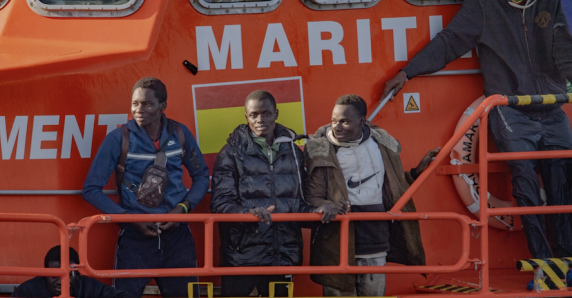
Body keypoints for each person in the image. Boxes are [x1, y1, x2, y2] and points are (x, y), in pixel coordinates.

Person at [381, 0, 572, 261]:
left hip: (552, 107)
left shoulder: (549, 3)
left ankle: (567, 260)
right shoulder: (483, 7)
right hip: (511, 111)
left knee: (563, 187)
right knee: (526, 187)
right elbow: (450, 41)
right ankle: (543, 262)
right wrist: (407, 72)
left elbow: (564, 49)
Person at [82, 77, 210, 297]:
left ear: (163, 107)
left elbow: (201, 176)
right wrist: (129, 219)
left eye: (147, 104)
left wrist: (182, 209)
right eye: (135, 104)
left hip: (177, 238)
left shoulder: (180, 133)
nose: (138, 110)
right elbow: (91, 189)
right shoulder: (118, 138)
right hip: (135, 239)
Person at [304, 95, 438, 296]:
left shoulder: (382, 145)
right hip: (337, 240)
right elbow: (311, 197)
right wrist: (327, 205)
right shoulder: (320, 150)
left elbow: (392, 185)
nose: (337, 127)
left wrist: (416, 172)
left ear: (362, 122)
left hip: (375, 238)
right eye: (334, 121)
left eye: (345, 121)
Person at [210, 90, 337, 297]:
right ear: (246, 116)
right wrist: (250, 213)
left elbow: (298, 204)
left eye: (266, 113)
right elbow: (220, 204)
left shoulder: (293, 152)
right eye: (254, 115)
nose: (261, 119)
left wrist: (318, 210)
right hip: (242, 257)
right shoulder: (230, 153)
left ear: (276, 114)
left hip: (283, 254)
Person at [11, 246, 131, 298]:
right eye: (55, 275)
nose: (61, 281)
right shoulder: (28, 290)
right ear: (45, 274)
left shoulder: (88, 286)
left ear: (78, 274)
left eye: (70, 274)